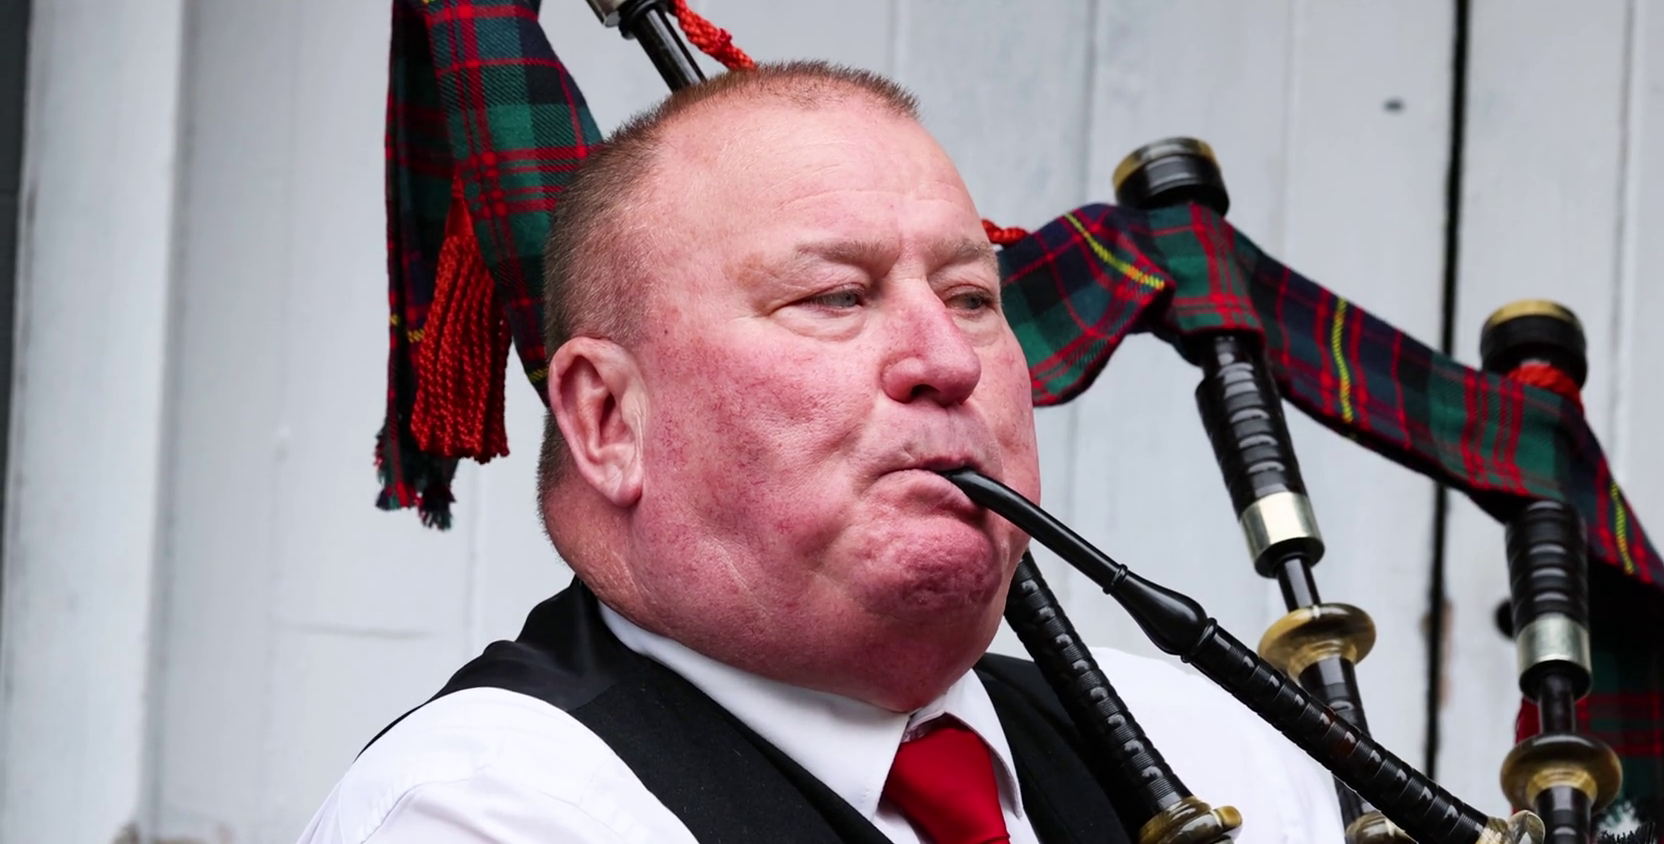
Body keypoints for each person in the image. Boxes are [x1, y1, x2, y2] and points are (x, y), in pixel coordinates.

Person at [298, 63, 1344, 844]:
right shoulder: (488, 809)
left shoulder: (1210, 748)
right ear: (610, 419)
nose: (947, 360)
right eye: (837, 297)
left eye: (972, 298)